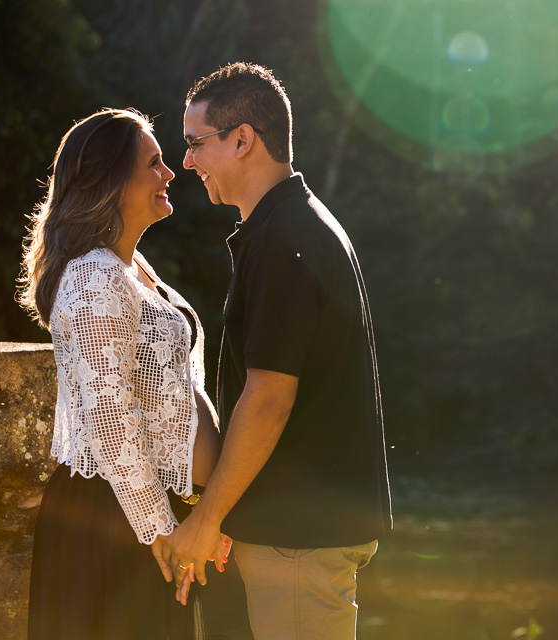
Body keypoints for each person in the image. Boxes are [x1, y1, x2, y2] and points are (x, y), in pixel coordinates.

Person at [160, 62, 392, 640]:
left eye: (195, 144)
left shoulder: (283, 239)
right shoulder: (293, 224)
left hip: (300, 537)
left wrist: (208, 517)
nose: (186, 162)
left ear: (242, 139)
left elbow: (267, 398)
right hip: (304, 528)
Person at [18, 108, 225, 639]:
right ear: (111, 181)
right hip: (113, 518)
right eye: (154, 163)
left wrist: (203, 513)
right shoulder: (94, 278)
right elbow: (111, 420)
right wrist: (161, 532)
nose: (170, 173)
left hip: (140, 508)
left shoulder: (130, 267)